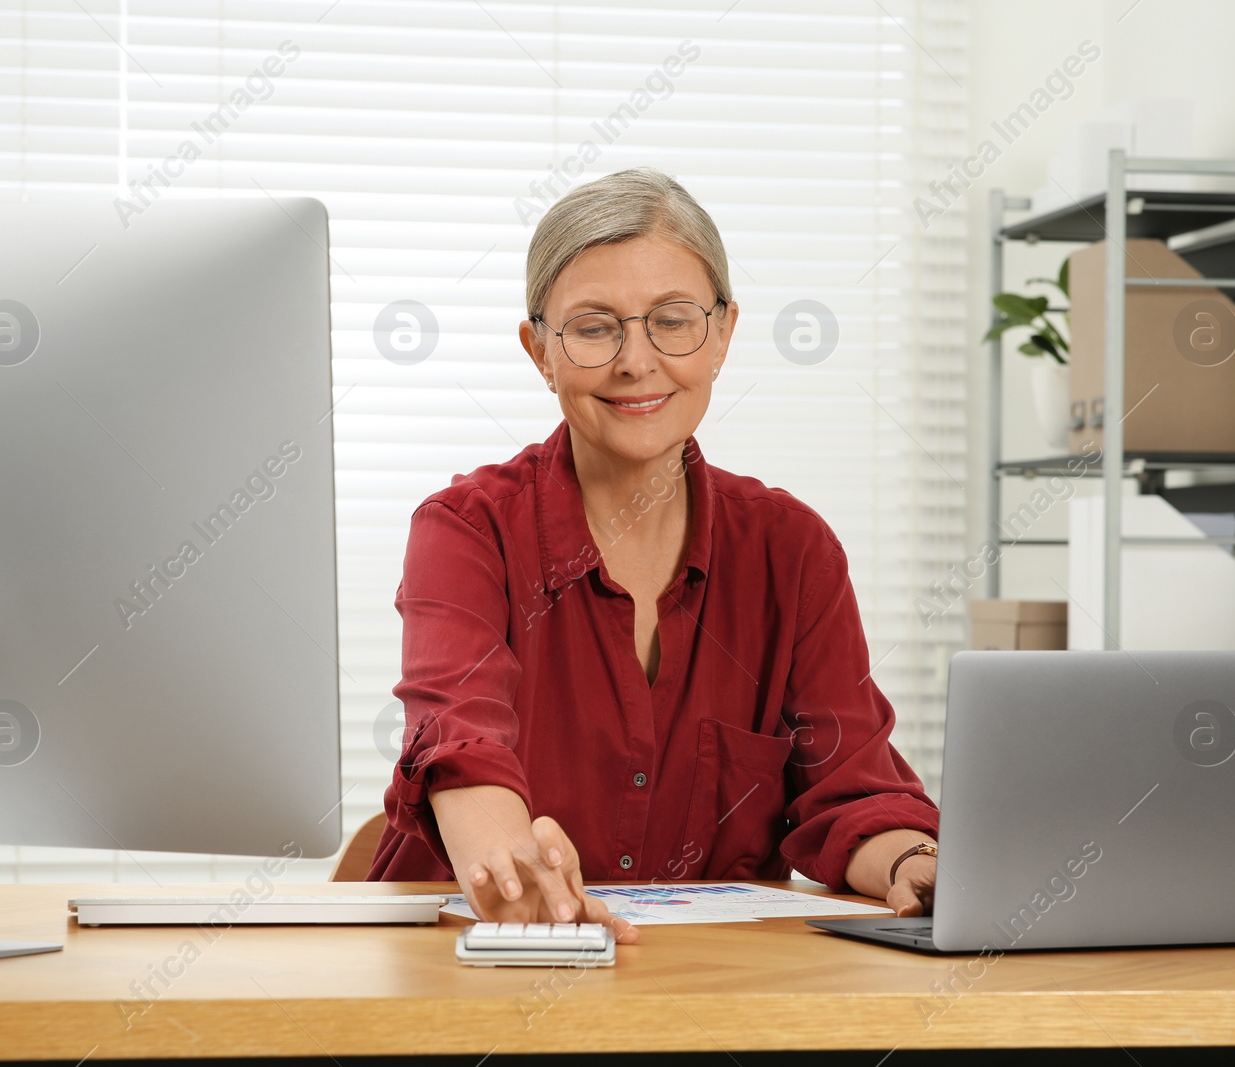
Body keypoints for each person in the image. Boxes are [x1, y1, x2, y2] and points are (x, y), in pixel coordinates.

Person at [367, 168, 938, 940]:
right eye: (596, 327)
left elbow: (852, 792)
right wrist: (515, 869)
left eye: (673, 320)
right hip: (472, 982)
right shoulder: (465, 530)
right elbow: (461, 744)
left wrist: (918, 866)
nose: (637, 360)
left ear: (724, 334)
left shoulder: (792, 549)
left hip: (705, 998)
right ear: (541, 350)